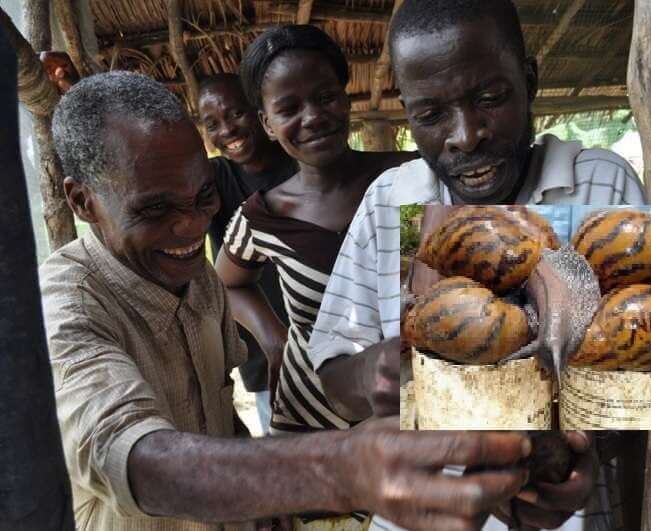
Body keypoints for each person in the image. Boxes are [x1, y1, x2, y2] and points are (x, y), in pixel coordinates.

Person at [42, 70, 537, 531]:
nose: (191, 227)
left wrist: (262, 498)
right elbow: (133, 457)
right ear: (82, 201)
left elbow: (213, 410)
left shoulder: (197, 280)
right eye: (154, 208)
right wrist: (340, 470)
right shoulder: (65, 309)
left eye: (203, 198)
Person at [307, 1, 634, 529]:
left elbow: (642, 385)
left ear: (528, 82)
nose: (465, 134)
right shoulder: (389, 197)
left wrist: (587, 442)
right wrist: (374, 373)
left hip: (561, 510)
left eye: (489, 98)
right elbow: (334, 373)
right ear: (409, 113)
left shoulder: (601, 185)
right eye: (431, 115)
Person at [215, 25, 415, 438]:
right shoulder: (262, 216)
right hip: (311, 421)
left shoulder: (410, 179)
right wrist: (275, 340)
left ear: (345, 98)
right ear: (267, 123)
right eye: (289, 108)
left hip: (415, 413)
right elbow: (228, 283)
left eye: (325, 97)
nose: (313, 117)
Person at [199, 73, 296, 432]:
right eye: (213, 124)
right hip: (264, 346)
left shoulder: (300, 166)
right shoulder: (214, 180)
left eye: (236, 114)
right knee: (286, 448)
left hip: (327, 336)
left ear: (261, 112)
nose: (227, 131)